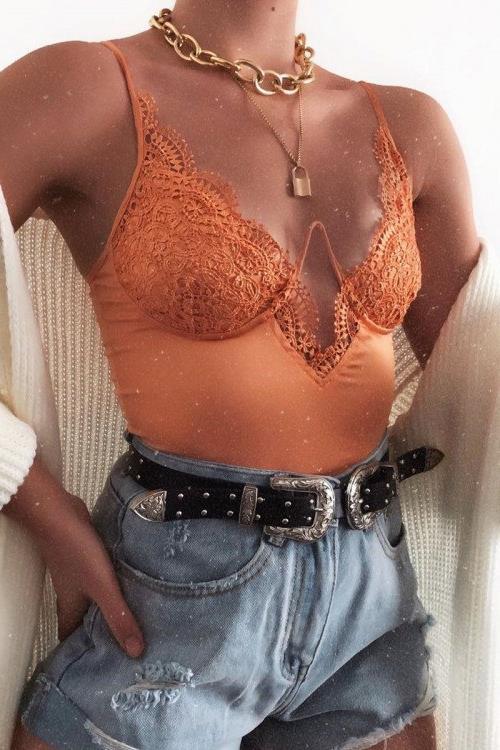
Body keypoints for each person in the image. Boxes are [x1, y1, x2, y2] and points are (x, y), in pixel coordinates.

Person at [0, 1, 481, 749]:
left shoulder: (412, 126)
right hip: (165, 603)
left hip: (372, 610)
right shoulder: (80, 90)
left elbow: (480, 397)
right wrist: (43, 510)